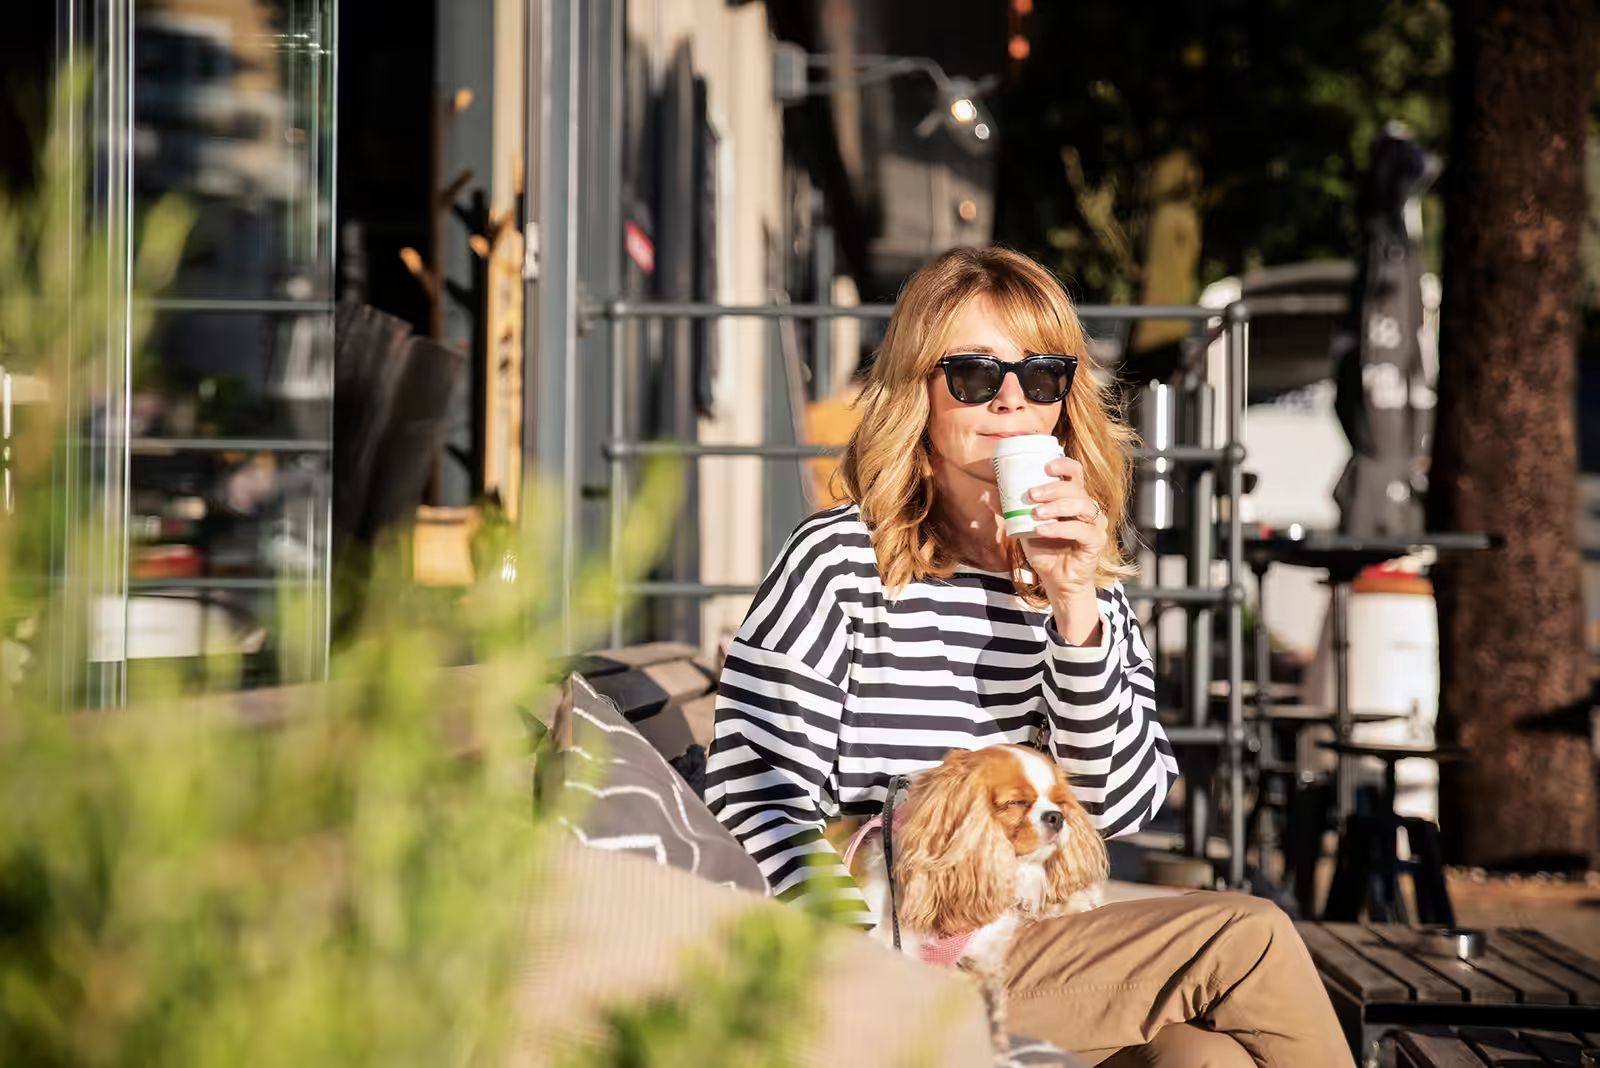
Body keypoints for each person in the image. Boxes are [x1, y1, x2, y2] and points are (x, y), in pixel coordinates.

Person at [705, 247, 1354, 1067]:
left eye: (1042, 376)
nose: (1012, 399)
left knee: (1203, 1061)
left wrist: (1076, 607)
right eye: (975, 375)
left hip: (1035, 932)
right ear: (918, 392)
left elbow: (1120, 806)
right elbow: (754, 788)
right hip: (906, 950)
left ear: (1063, 401)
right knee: (1250, 935)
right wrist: (860, 958)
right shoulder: (840, 559)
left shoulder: (1086, 575)